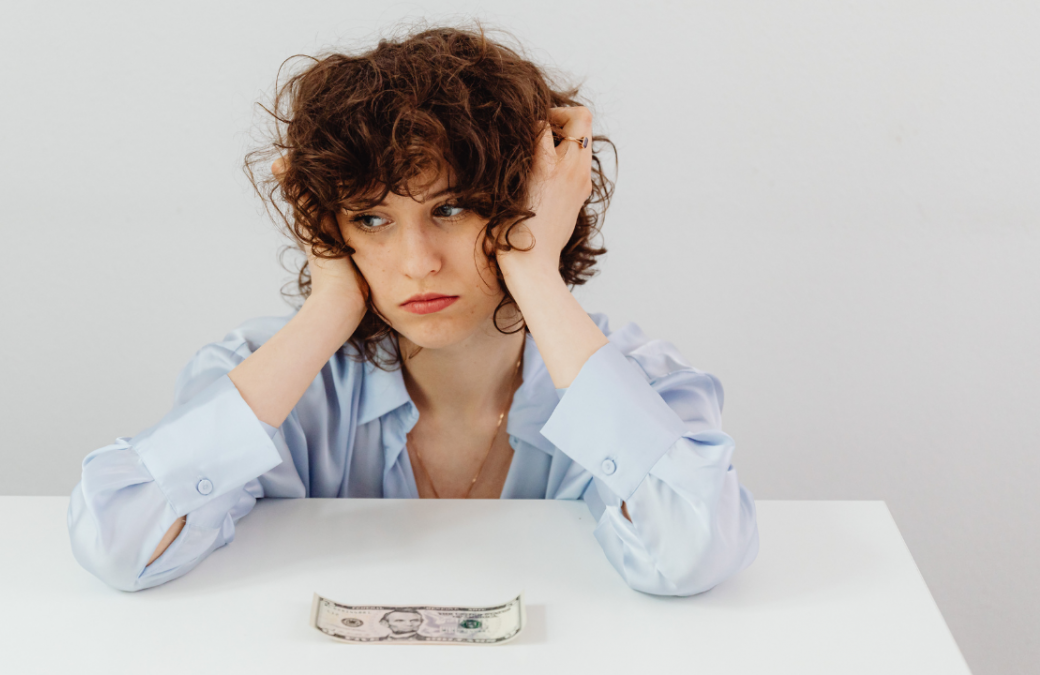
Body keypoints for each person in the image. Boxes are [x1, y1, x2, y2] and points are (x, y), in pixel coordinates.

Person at [67, 22, 759, 596]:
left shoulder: (636, 382)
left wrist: (533, 268)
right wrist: (329, 305)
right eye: (370, 219)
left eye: (451, 209)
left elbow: (693, 552)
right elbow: (119, 546)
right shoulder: (270, 378)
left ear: (531, 204)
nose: (417, 262)